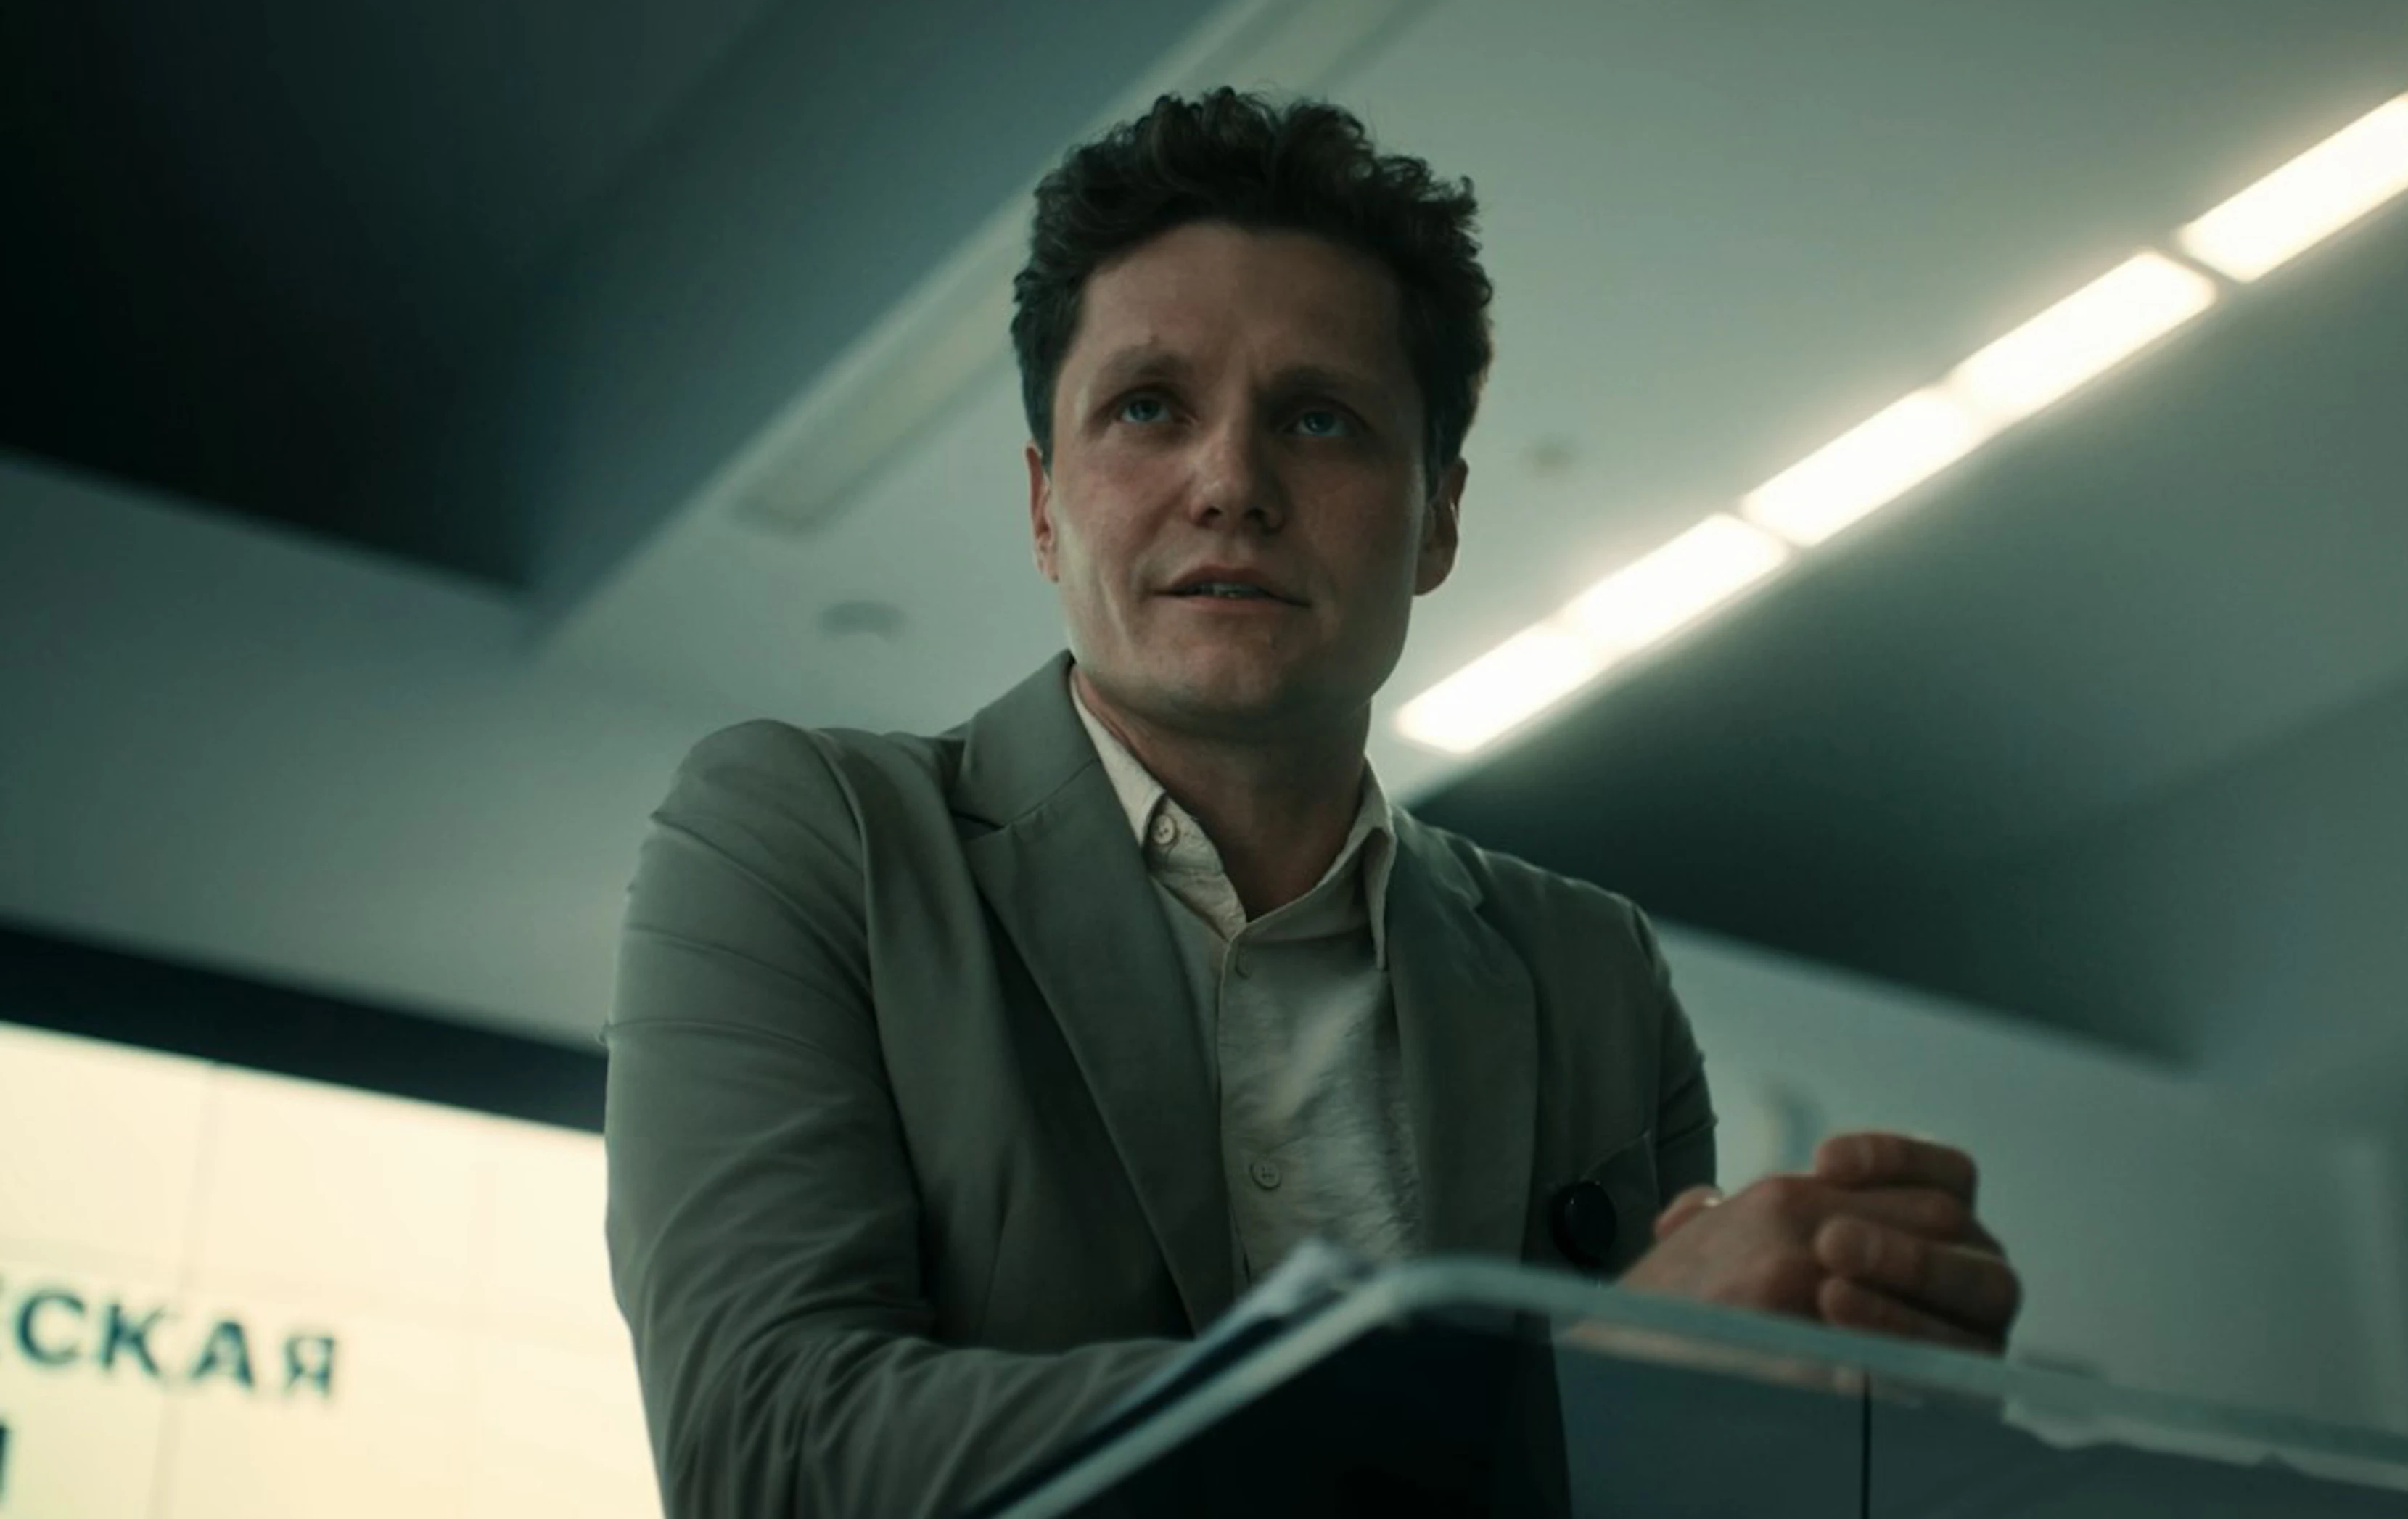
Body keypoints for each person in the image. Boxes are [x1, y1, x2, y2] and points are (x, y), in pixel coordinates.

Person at [603, 88, 2023, 1518]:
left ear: (1439, 519)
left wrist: (1849, 1386)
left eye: (1320, 419)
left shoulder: (1591, 969)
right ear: (1044, 505)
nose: (1231, 482)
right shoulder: (810, 838)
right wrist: (1565, 1389)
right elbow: (763, 1452)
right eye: (1147, 408)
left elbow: (1648, 1486)